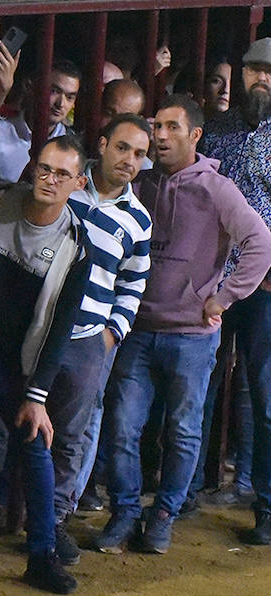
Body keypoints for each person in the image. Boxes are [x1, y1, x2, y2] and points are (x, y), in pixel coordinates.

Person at [98, 95, 271, 554]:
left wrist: (224, 296)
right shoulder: (143, 183)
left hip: (191, 335)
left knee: (182, 430)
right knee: (122, 426)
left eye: (172, 127)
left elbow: (260, 242)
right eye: (157, 126)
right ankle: (126, 511)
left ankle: (163, 516)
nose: (160, 135)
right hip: (139, 327)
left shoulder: (216, 189)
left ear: (195, 135)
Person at [0, 135, 91, 593]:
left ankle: (41, 554)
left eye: (62, 174)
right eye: (44, 168)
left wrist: (37, 396)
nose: (49, 180)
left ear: (79, 183)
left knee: (37, 438)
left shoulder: (76, 244)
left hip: (8, 364)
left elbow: (60, 329)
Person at [50, 114, 152, 563]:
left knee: (75, 433)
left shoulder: (139, 219)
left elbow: (133, 285)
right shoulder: (66, 186)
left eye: (140, 154)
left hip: (91, 338)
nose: (131, 160)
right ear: (104, 143)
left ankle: (53, 520)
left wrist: (111, 334)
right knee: (8, 418)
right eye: (124, 148)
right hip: (39, 327)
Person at [192, 41, 271, 544]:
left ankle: (266, 506)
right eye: (254, 71)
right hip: (210, 285)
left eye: (269, 72)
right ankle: (187, 491)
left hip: (265, 287)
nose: (260, 80)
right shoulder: (217, 132)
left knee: (265, 398)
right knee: (197, 389)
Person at [0, 56, 84, 183]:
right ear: (32, 87)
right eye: (54, 91)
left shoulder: (74, 148)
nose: (61, 103)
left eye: (69, 97)